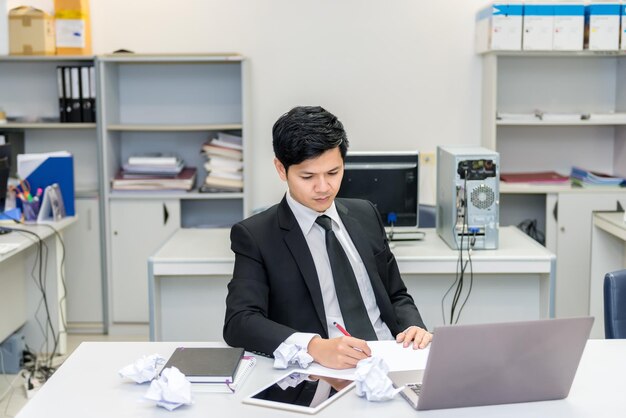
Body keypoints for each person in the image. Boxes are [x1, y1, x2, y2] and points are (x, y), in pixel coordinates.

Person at [223, 106, 432, 369]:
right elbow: (239, 322)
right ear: (281, 169)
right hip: (322, 368)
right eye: (308, 176)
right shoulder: (256, 235)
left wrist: (413, 326)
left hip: (391, 358)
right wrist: (312, 346)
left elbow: (396, 295)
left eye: (333, 173)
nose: (323, 188)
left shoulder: (365, 213)